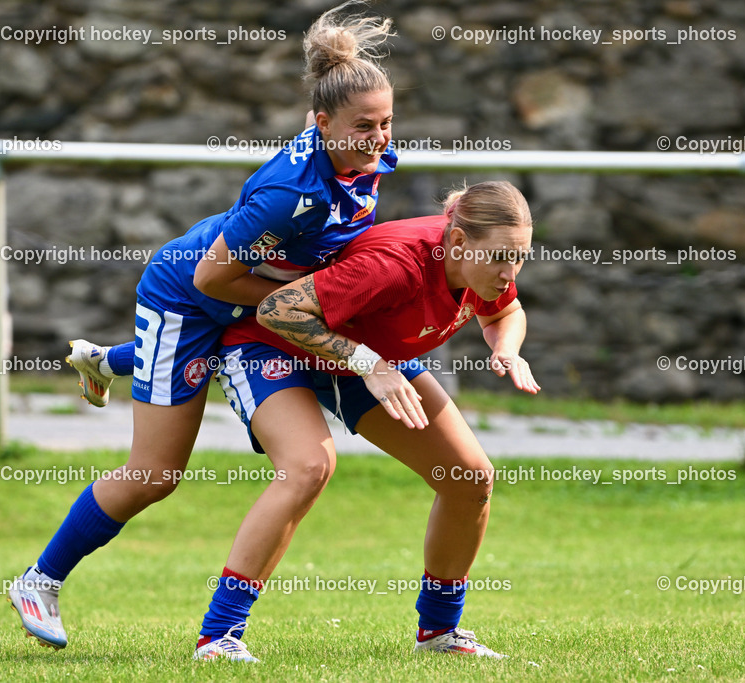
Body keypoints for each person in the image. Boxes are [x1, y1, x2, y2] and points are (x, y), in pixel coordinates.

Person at [9, 0, 400, 655]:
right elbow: (211, 281)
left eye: (387, 123)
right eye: (365, 126)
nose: (380, 138)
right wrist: (301, 296)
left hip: (235, 304)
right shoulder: (290, 194)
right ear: (320, 122)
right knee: (157, 474)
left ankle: (107, 361)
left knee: (286, 445)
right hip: (186, 300)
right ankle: (37, 580)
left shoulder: (365, 157)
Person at [196, 180, 538, 661]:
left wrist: (506, 348)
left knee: (468, 477)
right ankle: (219, 636)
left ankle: (439, 632)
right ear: (458, 242)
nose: (510, 272)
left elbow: (508, 311)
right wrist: (370, 365)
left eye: (520, 257)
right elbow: (278, 309)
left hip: (363, 353)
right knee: (308, 468)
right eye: (502, 257)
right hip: (273, 344)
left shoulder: (483, 259)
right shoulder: (396, 268)